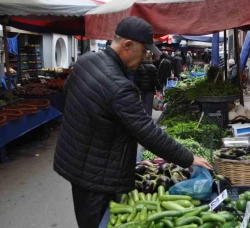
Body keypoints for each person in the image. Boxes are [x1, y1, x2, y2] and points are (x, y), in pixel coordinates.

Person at [54, 16, 212, 228]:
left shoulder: (85, 62)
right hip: (97, 175)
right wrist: (189, 158)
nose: (146, 57)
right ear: (127, 45)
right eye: (144, 51)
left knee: (87, 216)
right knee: (97, 221)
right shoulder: (120, 87)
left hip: (74, 161)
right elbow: (148, 133)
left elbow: (68, 95)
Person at [135, 51, 162, 116]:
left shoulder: (139, 67)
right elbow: (156, 79)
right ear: (150, 58)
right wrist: (159, 88)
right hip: (150, 89)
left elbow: (137, 79)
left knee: (143, 103)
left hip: (142, 88)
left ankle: (144, 116)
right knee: (149, 104)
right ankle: (148, 117)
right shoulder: (152, 67)